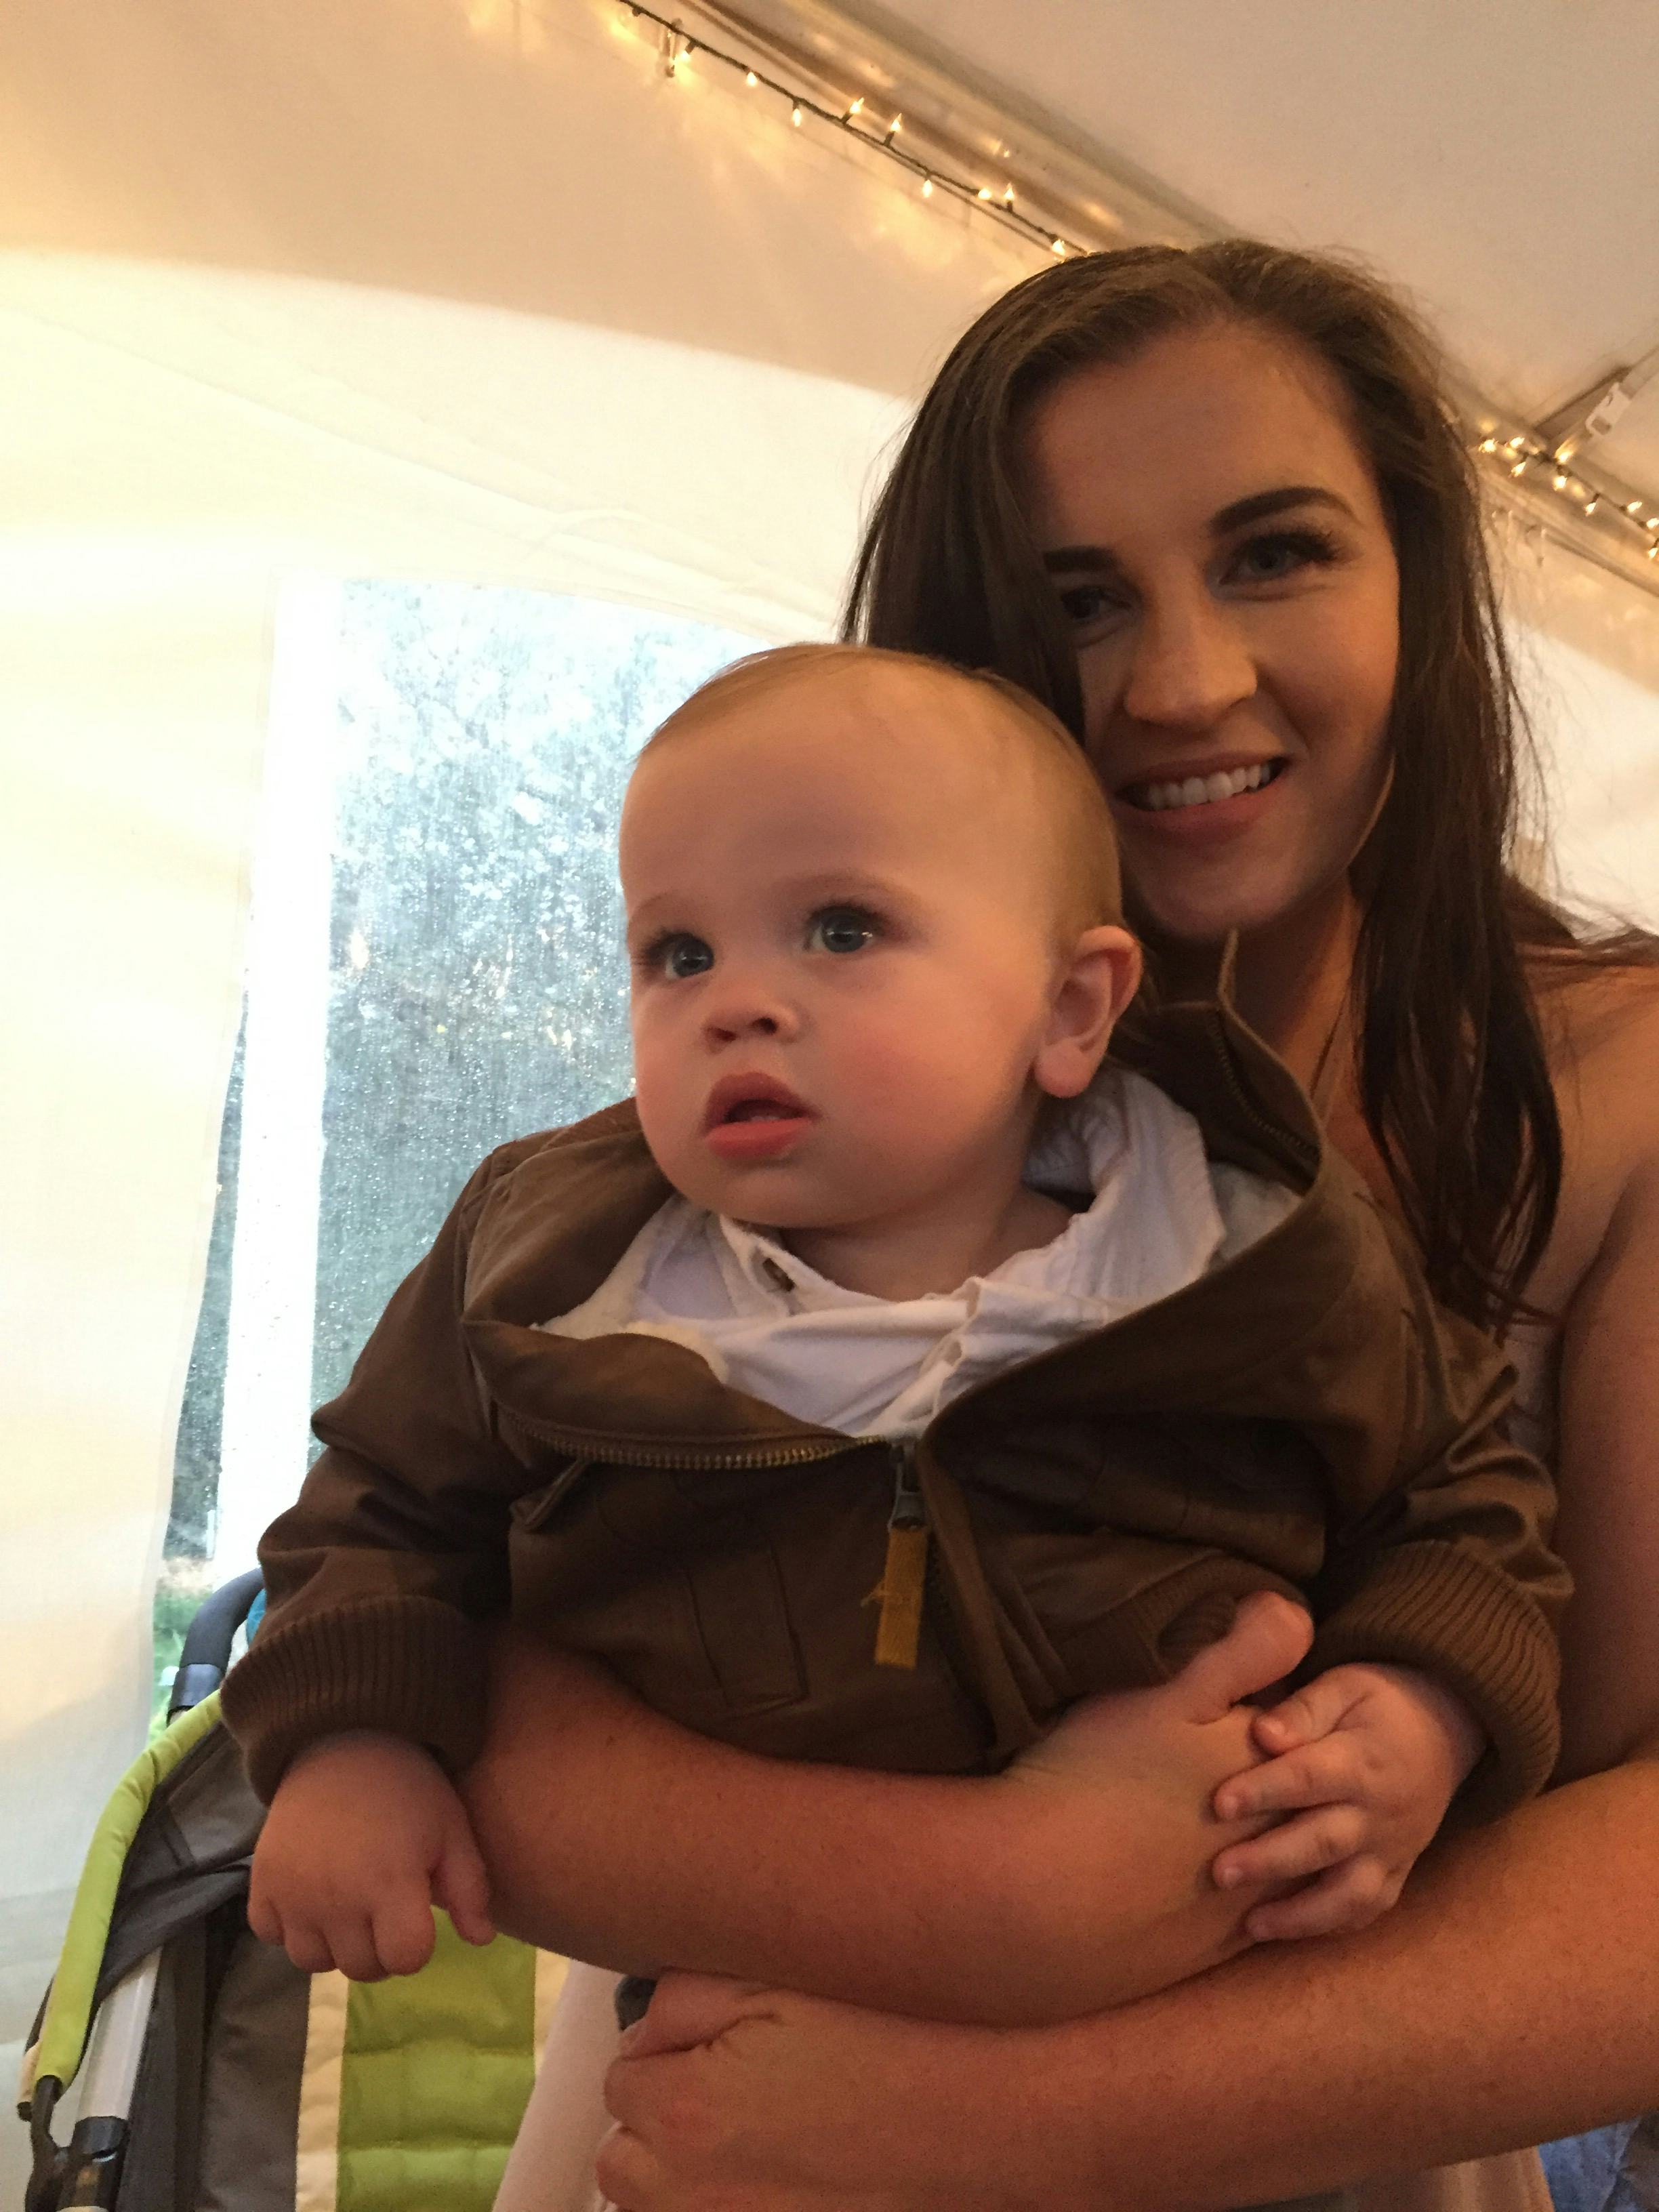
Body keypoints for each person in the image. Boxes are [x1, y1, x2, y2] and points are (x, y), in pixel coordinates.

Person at [451, 243, 1659, 2212]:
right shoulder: (777, 1077)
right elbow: (451, 1658)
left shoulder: (1613, 1087)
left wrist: (1017, 2119)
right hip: (729, 2126)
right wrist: (988, 1904)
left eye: (1274, 554)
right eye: (1077, 601)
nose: (1182, 680)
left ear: (1424, 588)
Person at [224, 642, 1561, 2006]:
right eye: (675, 953)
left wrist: (1431, 1701)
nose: (735, 1000)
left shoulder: (1254, 1263)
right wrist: (352, 1738)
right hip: (740, 1995)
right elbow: (379, 1508)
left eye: (844, 930)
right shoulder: (555, 1277)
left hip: (1217, 2003)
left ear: (1069, 1007)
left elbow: (1461, 1491)